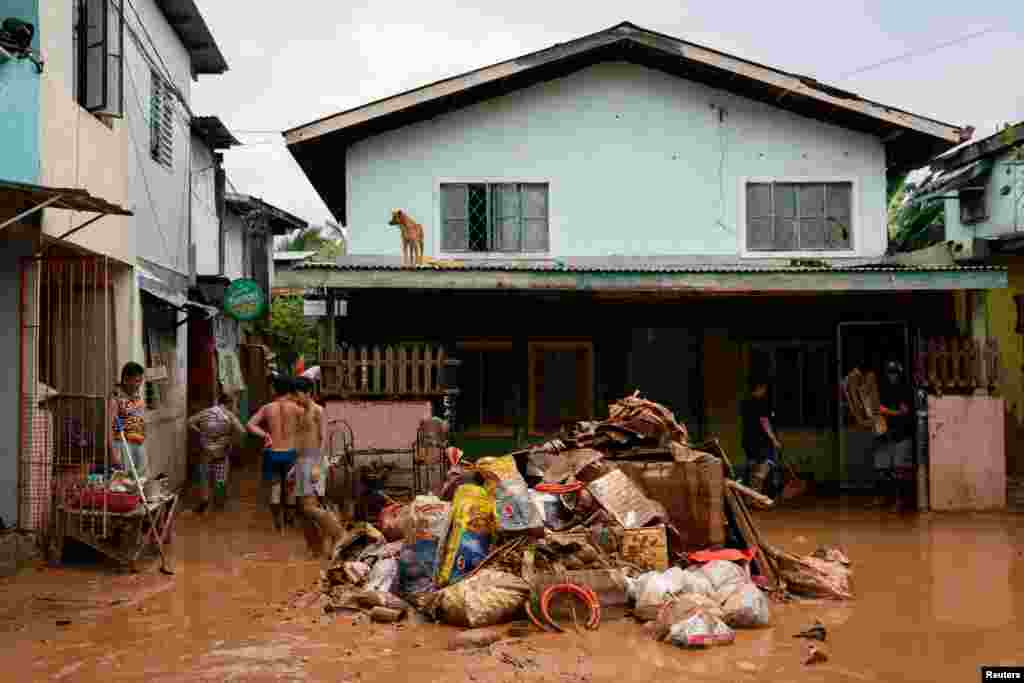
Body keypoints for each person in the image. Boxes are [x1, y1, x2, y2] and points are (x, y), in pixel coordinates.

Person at [291, 376, 346, 559]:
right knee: (303, 510)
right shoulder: (301, 412)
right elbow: (301, 440)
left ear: (307, 393)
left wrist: (316, 466)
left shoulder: (318, 411)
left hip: (313, 461)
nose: (295, 398)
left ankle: (339, 534)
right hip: (301, 462)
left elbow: (323, 440)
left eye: (297, 394)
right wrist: (294, 467)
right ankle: (316, 549)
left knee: (309, 507)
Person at [247, 374, 305, 531]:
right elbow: (307, 429)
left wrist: (265, 435)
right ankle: (289, 519)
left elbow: (250, 424)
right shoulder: (298, 409)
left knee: (275, 488)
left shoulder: (267, 408)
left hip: (272, 452)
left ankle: (276, 523)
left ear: (275, 389)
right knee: (291, 488)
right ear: (289, 390)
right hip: (291, 452)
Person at [187, 394, 245, 514]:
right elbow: (242, 431)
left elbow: (190, 421)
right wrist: (230, 439)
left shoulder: (206, 412)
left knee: (205, 476)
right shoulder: (229, 415)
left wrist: (201, 432)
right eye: (233, 404)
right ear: (229, 403)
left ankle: (204, 501)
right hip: (221, 451)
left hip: (206, 450)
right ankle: (218, 503)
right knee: (220, 477)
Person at [870, 361, 914, 511]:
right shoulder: (884, 390)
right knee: (884, 470)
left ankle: (900, 501)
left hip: (902, 435)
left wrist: (886, 411)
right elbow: (878, 410)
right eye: (890, 372)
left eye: (894, 373)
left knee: (899, 471)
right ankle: (886, 498)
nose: (892, 376)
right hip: (887, 434)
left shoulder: (905, 390)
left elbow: (904, 412)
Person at [741, 376, 783, 496]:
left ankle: (750, 497)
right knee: (765, 466)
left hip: (748, 441)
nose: (765, 390)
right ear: (760, 387)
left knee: (753, 469)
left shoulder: (745, 402)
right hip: (761, 441)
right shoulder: (761, 402)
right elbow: (764, 422)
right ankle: (756, 496)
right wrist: (774, 439)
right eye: (764, 388)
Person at [110, 362, 147, 478]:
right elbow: (109, 427)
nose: (139, 385)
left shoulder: (137, 397)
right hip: (124, 446)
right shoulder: (116, 398)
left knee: (140, 482)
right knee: (126, 482)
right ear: (126, 380)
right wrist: (113, 453)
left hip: (138, 445)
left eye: (141, 381)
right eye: (136, 381)